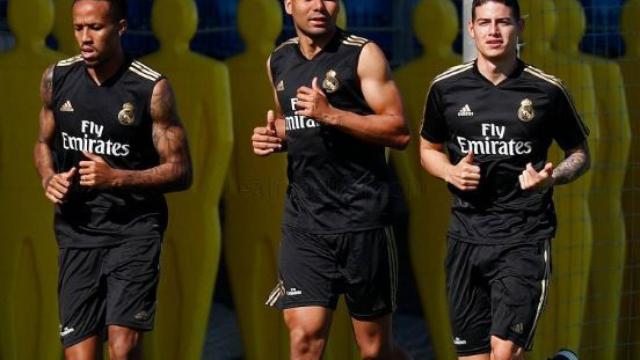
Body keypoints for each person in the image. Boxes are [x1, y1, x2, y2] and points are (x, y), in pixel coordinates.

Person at [419, 0, 590, 359]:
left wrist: (551, 177)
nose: (493, 32)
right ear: (471, 29)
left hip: (523, 236)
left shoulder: (546, 90)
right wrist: (450, 171)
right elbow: (427, 149)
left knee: (505, 353)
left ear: (520, 27)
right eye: (484, 23)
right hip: (465, 236)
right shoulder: (445, 88)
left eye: (503, 22)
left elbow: (580, 154)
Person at [33, 0, 192, 359]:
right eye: (78, 28)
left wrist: (116, 178)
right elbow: (42, 144)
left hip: (133, 231)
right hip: (77, 231)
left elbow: (182, 171)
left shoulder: (151, 88)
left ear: (120, 28)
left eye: (96, 28)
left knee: (122, 349)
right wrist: (48, 178)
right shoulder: (56, 79)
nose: (85, 38)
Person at [251, 0, 410, 358]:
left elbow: (398, 131)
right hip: (305, 222)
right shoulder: (278, 59)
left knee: (374, 351)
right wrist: (273, 136)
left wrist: (333, 114)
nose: (319, 5)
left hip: (363, 220)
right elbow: (292, 123)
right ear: (289, 5)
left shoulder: (363, 55)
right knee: (304, 337)